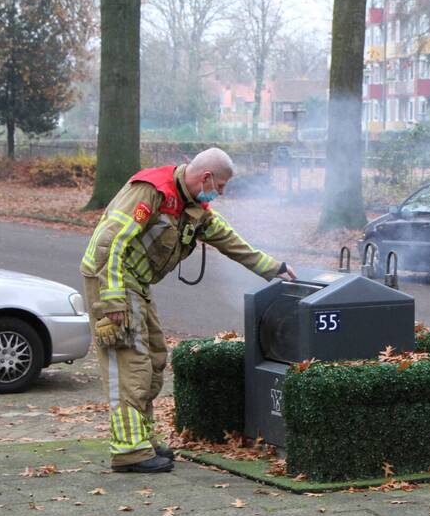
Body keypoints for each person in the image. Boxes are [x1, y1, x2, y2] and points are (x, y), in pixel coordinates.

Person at [80, 148, 296, 474]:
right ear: (206, 177)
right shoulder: (151, 191)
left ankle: (141, 440)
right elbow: (109, 244)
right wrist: (111, 303)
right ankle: (127, 450)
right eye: (220, 186)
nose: (220, 193)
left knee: (153, 359)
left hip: (135, 283)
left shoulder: (192, 207)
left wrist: (272, 268)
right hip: (112, 280)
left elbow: (228, 239)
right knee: (130, 363)